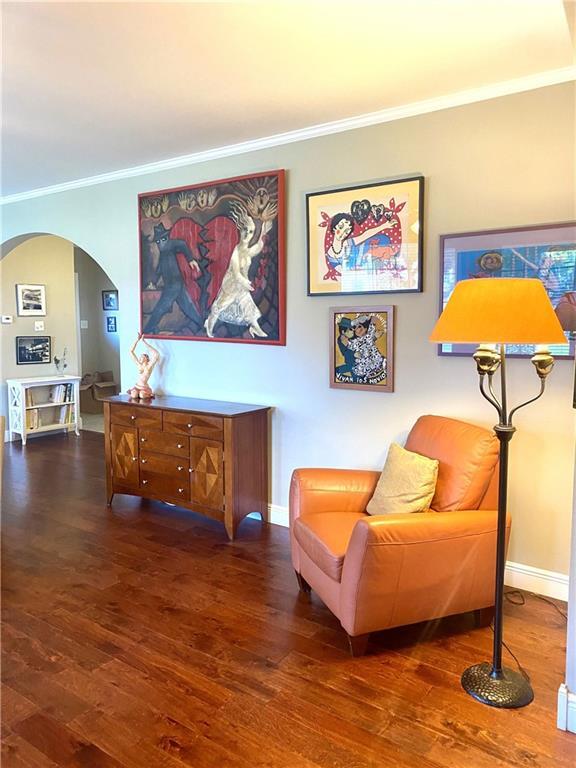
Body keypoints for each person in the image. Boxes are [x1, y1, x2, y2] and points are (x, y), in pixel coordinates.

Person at [204, 201, 272, 338]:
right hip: (231, 284)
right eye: (245, 230)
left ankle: (255, 327)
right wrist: (244, 281)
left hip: (241, 286)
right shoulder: (236, 251)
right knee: (219, 307)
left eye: (251, 231)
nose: (248, 233)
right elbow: (236, 272)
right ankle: (209, 323)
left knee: (248, 306)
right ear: (240, 230)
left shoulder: (247, 251)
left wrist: (263, 230)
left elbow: (258, 246)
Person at [143, 223, 201, 334]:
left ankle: (148, 329)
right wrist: (153, 283)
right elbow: (159, 271)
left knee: (161, 308)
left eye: (163, 240)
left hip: (173, 285)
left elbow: (182, 244)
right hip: (173, 284)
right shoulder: (163, 255)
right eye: (158, 242)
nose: (161, 244)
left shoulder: (170, 246)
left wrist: (190, 260)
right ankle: (201, 324)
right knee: (188, 307)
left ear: (167, 238)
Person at [127, 333, 160, 399]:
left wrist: (144, 342)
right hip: (137, 385)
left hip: (144, 387)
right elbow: (131, 351)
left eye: (142, 357)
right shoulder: (139, 365)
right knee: (134, 395)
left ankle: (150, 394)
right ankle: (135, 392)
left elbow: (156, 354)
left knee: (142, 395)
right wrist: (137, 340)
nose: (140, 358)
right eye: (140, 357)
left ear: (146, 359)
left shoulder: (149, 366)